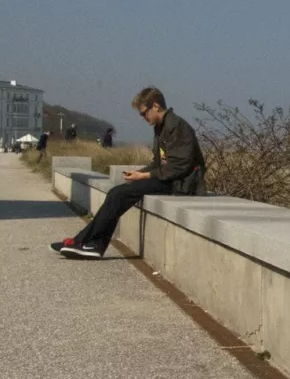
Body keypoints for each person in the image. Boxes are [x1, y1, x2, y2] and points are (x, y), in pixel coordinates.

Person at [51, 86, 205, 259]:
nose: (143, 117)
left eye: (143, 113)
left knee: (119, 194)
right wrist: (138, 173)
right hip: (170, 179)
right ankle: (93, 245)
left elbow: (180, 166)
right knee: (116, 193)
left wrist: (144, 176)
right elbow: (157, 163)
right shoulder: (161, 127)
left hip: (182, 184)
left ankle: (85, 242)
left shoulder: (177, 126)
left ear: (155, 106)